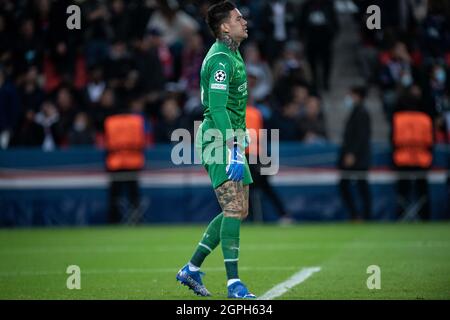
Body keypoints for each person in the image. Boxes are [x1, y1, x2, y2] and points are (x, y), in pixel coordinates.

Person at [176, 1, 256, 299]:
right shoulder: (221, 59)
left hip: (231, 139)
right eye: (238, 18)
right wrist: (233, 147)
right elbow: (218, 108)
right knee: (233, 209)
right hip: (219, 141)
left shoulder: (232, 53)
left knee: (239, 210)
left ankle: (191, 268)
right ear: (224, 27)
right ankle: (234, 284)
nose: (244, 21)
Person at [104, 113, 145, 224]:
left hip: (115, 163)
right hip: (133, 162)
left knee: (115, 196)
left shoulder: (110, 121)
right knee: (134, 196)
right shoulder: (137, 121)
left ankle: (113, 221)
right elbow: (142, 142)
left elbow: (107, 144)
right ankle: (136, 221)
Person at [338, 86, 372, 221]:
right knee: (354, 185)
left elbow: (361, 136)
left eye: (351, 95)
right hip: (356, 156)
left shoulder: (362, 112)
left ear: (357, 96)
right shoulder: (357, 111)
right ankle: (358, 215)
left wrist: (352, 153)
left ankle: (363, 215)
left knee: (361, 186)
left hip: (358, 158)